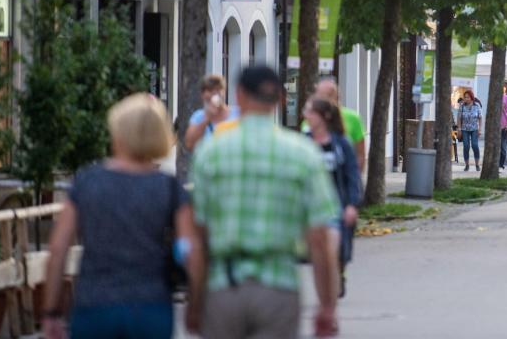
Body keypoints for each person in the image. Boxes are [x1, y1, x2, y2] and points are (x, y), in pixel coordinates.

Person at [190, 66, 341, 338]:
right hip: (278, 286)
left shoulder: (211, 152)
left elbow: (198, 236)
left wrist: (195, 301)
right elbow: (320, 237)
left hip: (224, 286)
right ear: (280, 99)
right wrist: (327, 305)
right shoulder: (303, 154)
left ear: (238, 95)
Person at [43, 94, 200, 339]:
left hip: (94, 306)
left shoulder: (87, 181)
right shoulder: (169, 188)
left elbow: (58, 249)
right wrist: (196, 304)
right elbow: (191, 250)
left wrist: (51, 312)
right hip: (151, 308)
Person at [304, 99, 361, 298]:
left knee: (338, 250)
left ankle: (339, 274)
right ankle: (327, 288)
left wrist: (352, 205)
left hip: (337, 204)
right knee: (318, 252)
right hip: (311, 206)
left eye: (310, 112)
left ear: (324, 117)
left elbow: (352, 175)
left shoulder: (341, 143)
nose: (306, 116)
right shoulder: (304, 142)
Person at [311, 78, 367, 175]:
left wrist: (355, 180)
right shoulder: (310, 119)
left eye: (325, 95)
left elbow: (360, 154)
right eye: (318, 95)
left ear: (336, 97)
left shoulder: (353, 118)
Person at [185, 74, 241, 151]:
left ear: (224, 92)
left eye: (218, 89)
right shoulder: (198, 116)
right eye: (210, 90)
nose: (214, 93)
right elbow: (190, 144)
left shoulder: (238, 113)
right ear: (203, 94)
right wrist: (207, 118)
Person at [458, 90, 483, 172]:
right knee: (466, 146)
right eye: (465, 97)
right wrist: (459, 129)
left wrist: (480, 129)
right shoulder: (461, 106)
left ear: (471, 97)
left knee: (475, 145)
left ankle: (477, 164)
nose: (466, 99)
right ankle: (467, 165)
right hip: (464, 129)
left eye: (467, 97)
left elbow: (480, 118)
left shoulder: (477, 105)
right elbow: (459, 118)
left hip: (474, 129)